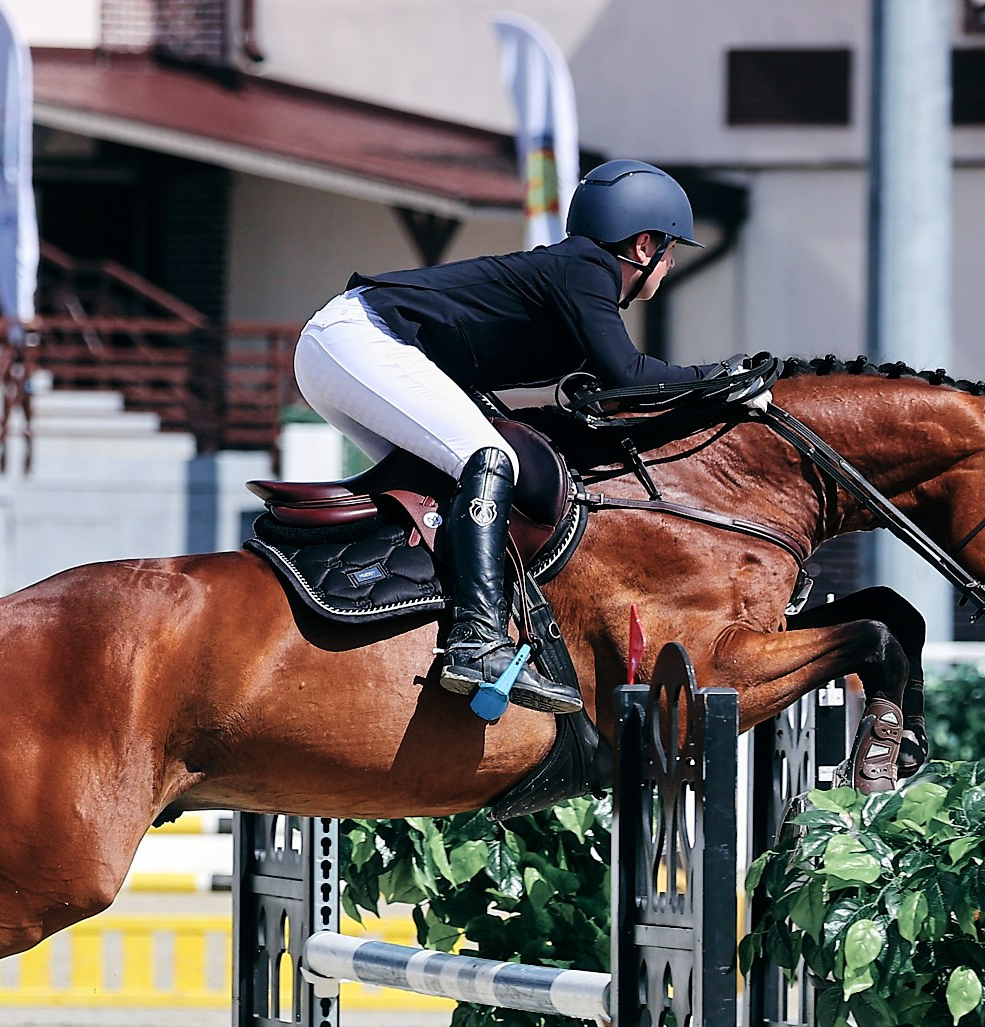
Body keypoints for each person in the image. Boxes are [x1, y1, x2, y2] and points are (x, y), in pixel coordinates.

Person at [292, 159, 730, 716]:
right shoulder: (587, 269)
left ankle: (413, 613)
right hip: (360, 340)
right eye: (670, 250)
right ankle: (477, 641)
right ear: (644, 246)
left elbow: (610, 399)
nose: (669, 264)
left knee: (446, 484)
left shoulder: (574, 278)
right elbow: (631, 375)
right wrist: (719, 379)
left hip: (345, 350)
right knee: (487, 457)